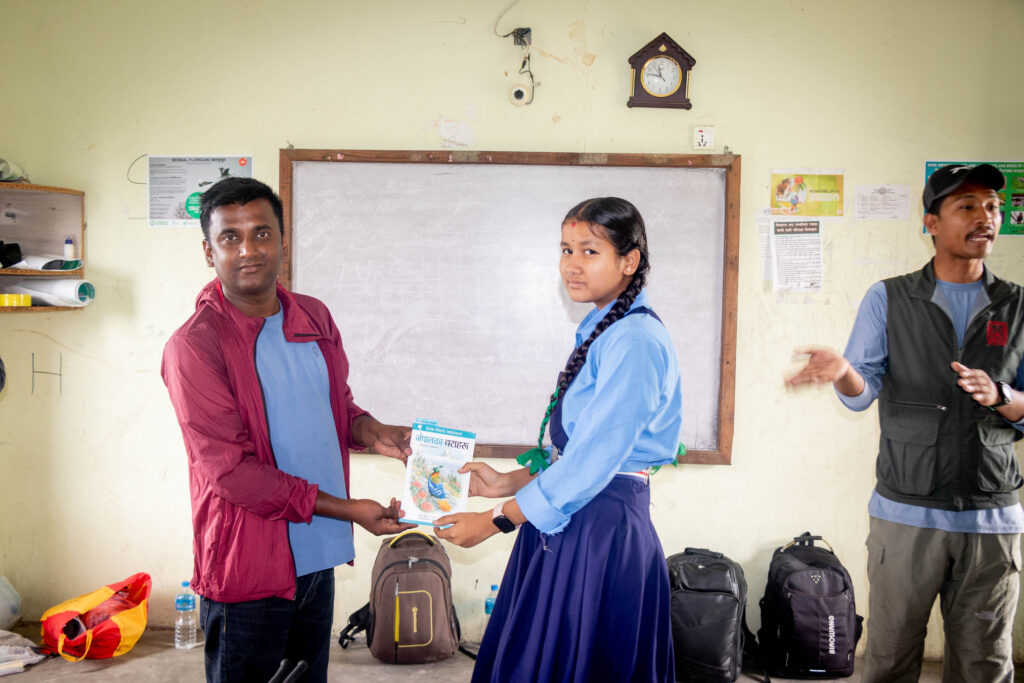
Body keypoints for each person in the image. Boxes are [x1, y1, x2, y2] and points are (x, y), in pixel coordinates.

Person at [161, 177, 414, 683]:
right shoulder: (196, 345)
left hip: (317, 554)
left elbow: (332, 404)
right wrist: (350, 510)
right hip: (249, 566)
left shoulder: (313, 316)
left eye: (262, 233)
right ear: (208, 251)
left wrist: (370, 431)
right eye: (230, 238)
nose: (249, 249)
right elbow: (231, 474)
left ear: (282, 240)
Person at [787, 163, 1024, 683]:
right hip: (906, 511)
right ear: (932, 223)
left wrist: (1002, 394)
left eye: (992, 206)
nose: (985, 217)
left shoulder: (1019, 305)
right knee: (890, 660)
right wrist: (845, 372)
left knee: (985, 666)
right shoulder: (889, 298)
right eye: (967, 206)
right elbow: (861, 392)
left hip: (991, 519)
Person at [435, 197, 681, 682]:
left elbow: (595, 462)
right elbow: (578, 448)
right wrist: (507, 481)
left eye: (589, 252)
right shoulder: (605, 326)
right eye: (566, 250)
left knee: (579, 659)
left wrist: (494, 522)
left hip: (600, 531)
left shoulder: (635, 341)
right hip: (573, 517)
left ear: (628, 261)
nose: (572, 264)